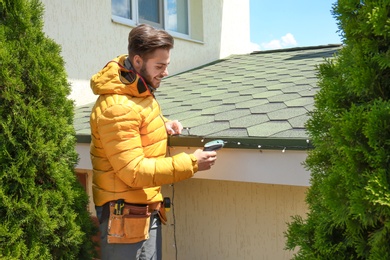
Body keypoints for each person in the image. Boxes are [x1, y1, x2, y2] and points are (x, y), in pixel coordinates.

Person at [89, 24, 217, 260]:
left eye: (166, 65)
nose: (165, 72)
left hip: (141, 210)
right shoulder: (117, 106)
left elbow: (135, 121)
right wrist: (191, 163)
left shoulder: (135, 90)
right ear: (137, 62)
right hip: (124, 216)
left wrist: (162, 124)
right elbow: (134, 171)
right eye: (159, 66)